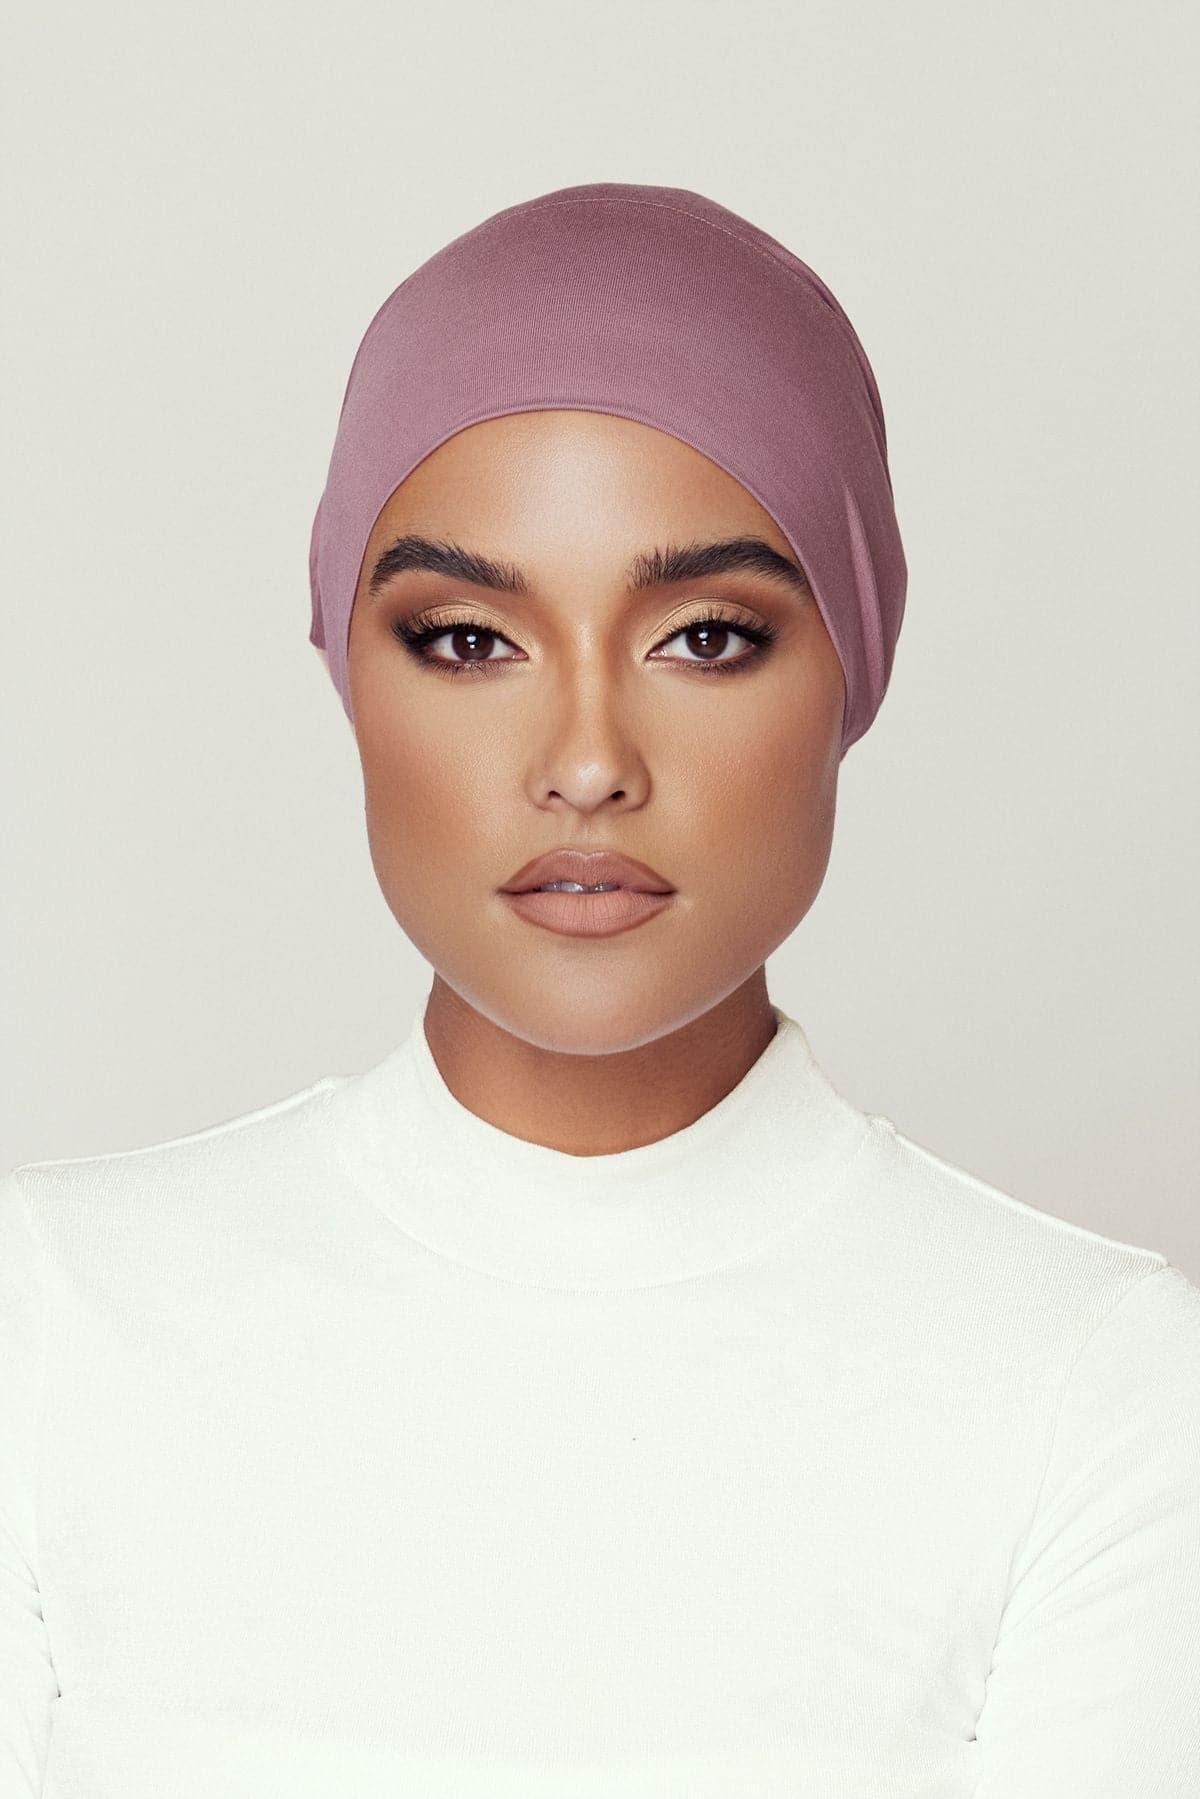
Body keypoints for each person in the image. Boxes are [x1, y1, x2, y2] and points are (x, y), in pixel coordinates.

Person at [2, 183, 1197, 1796]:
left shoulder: (1099, 1388)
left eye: (704, 637)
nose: (584, 764)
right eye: (466, 639)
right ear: (346, 669)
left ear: (852, 665)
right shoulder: (47, 1322)